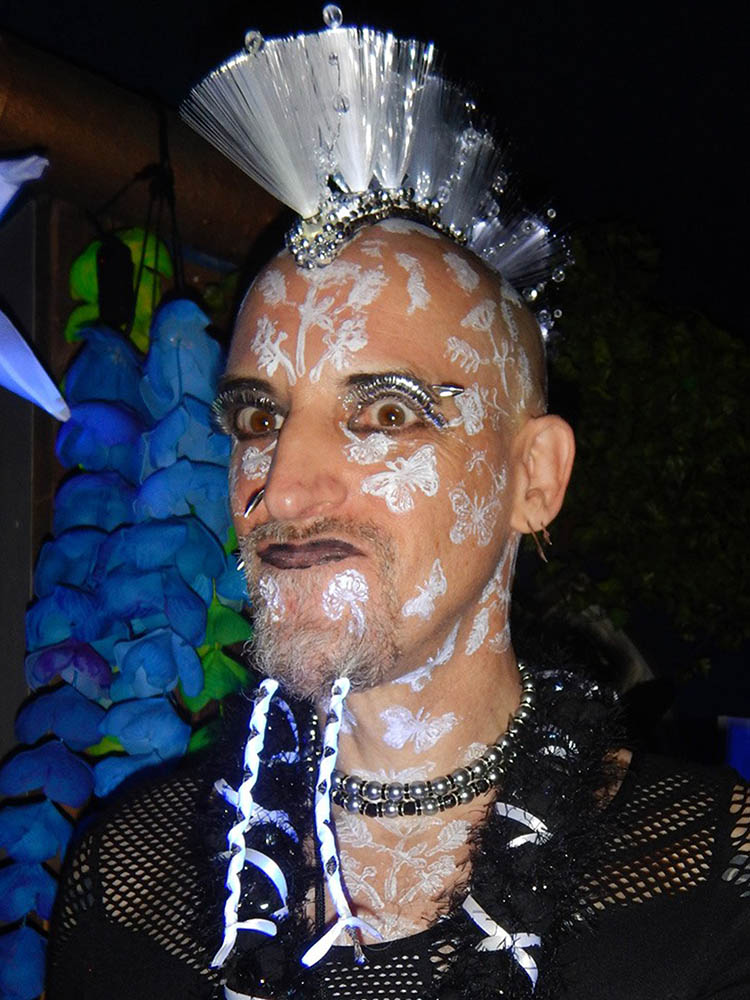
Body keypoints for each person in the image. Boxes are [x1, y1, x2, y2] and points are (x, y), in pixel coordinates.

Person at [47, 13, 750, 1000]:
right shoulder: (130, 878)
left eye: (384, 413)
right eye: (258, 418)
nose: (281, 489)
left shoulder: (707, 882)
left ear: (535, 479)